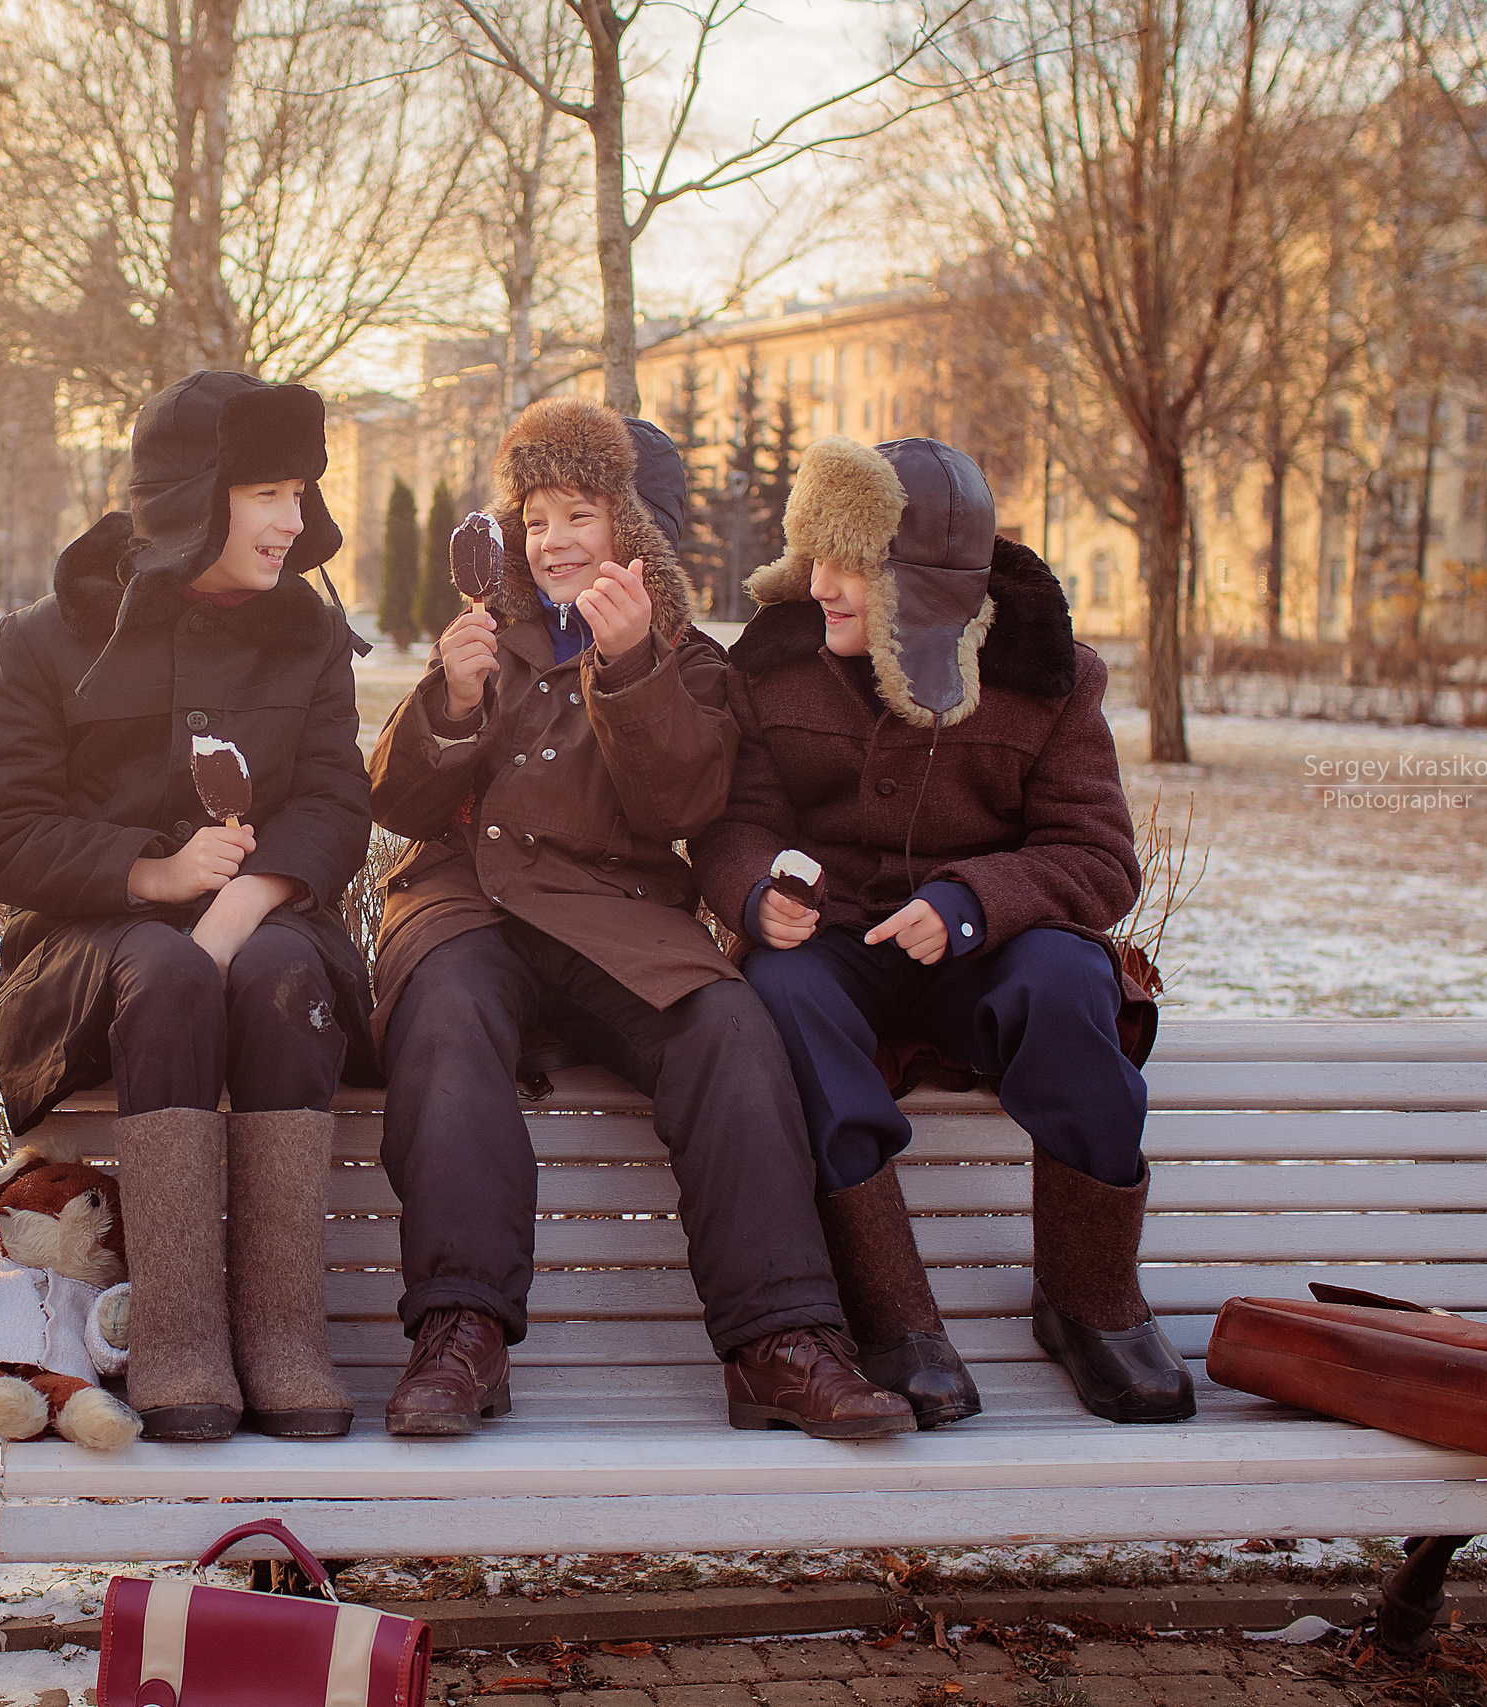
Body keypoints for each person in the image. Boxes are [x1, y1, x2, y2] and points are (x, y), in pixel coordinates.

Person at [364, 396, 914, 1442]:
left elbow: (684, 810)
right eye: (534, 518)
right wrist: (451, 699)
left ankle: (779, 1340)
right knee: (445, 1017)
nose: (553, 540)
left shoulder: (697, 664)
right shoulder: (493, 634)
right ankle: (460, 1334)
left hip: (615, 915)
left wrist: (628, 672)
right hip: (467, 901)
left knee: (730, 1028)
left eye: (580, 512)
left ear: (638, 532)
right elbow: (393, 804)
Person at [693, 434, 1190, 1429]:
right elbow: (733, 826)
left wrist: (972, 903)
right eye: (813, 555)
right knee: (780, 997)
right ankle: (897, 1320)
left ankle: (1091, 1301)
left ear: (920, 583)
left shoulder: (1046, 675)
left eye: (850, 565)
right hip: (835, 947)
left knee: (1067, 983)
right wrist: (755, 893)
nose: (819, 585)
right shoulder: (777, 666)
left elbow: (1097, 861)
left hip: (993, 951)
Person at [0, 371, 375, 1443]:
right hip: (90, 954)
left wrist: (241, 906)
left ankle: (283, 1333)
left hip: (266, 926)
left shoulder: (311, 637)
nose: (294, 520)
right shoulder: (45, 639)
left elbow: (333, 801)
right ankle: (180, 1332)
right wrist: (152, 874)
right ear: (196, 495)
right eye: (267, 492)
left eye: (300, 491)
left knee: (280, 974)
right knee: (171, 967)